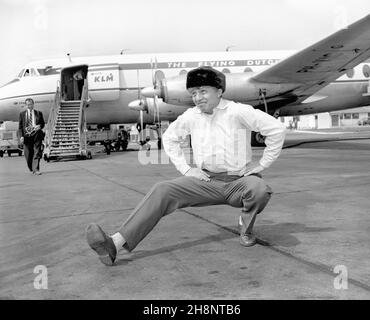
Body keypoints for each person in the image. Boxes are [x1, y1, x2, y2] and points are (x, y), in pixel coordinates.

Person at [86, 67, 286, 266]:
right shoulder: (191, 116)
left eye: (203, 91)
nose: (198, 97)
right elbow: (170, 138)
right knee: (162, 190)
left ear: (219, 91)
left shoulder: (238, 111)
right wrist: (188, 170)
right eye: (194, 93)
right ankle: (114, 244)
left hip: (238, 182)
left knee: (260, 190)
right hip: (206, 181)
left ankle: (246, 227)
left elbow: (276, 130)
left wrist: (262, 164)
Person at [18, 98, 45, 175]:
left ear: (33, 104)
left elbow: (42, 124)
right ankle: (31, 167)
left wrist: (39, 126)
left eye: (31, 104)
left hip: (36, 134)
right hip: (26, 136)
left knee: (37, 151)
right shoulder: (22, 114)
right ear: (25, 105)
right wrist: (21, 136)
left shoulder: (39, 113)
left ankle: (36, 169)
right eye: (28, 104)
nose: (29, 106)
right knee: (28, 154)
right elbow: (20, 127)